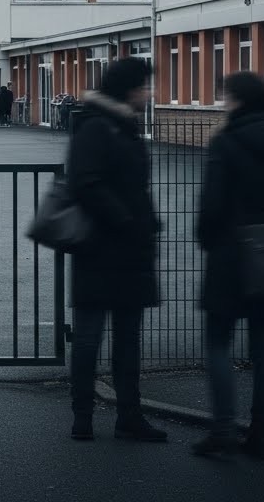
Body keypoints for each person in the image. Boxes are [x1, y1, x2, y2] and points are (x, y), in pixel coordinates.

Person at [192, 72, 264, 460]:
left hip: (229, 253)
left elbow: (211, 207)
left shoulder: (225, 143)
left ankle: (223, 428)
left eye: (226, 95)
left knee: (218, 343)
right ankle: (261, 434)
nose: (222, 102)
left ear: (238, 100)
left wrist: (210, 241)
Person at [66, 58, 166, 443]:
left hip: (126, 248)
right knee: (91, 336)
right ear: (127, 88)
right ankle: (84, 417)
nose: (149, 92)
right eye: (144, 85)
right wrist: (127, 221)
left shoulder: (123, 126)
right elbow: (86, 183)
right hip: (102, 246)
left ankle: (129, 415)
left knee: (127, 337)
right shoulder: (96, 126)